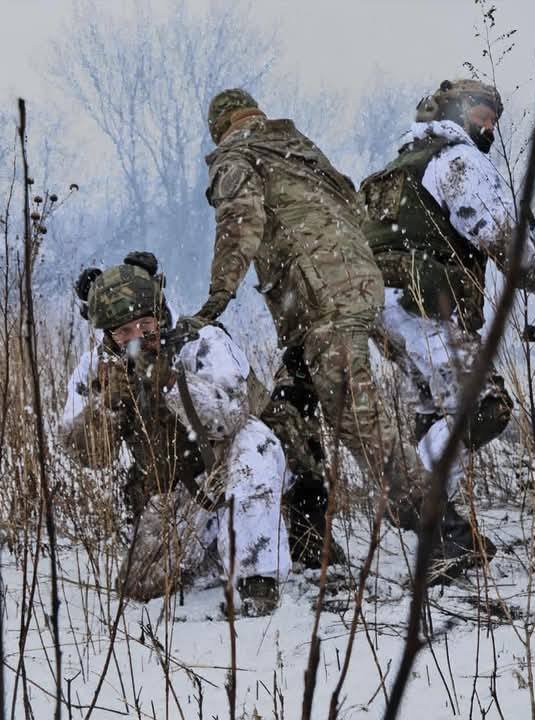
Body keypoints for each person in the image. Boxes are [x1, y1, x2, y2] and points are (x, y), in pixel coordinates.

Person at [185, 89, 427, 574]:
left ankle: (444, 528)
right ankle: (308, 536)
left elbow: (241, 219)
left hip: (321, 300)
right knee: (287, 413)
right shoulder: (299, 149)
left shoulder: (237, 155)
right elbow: (352, 212)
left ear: (219, 127)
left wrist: (216, 299)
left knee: (354, 417)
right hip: (345, 289)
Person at [359, 79, 535, 578]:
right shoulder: (457, 160)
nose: (489, 124)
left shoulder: (396, 168)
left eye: (495, 117)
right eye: (482, 111)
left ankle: (446, 541)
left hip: (384, 310)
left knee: (433, 417)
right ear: (454, 109)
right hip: (425, 306)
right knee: (485, 406)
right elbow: (497, 234)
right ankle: (409, 492)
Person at [59, 252, 290, 616]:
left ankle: (257, 578)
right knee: (140, 587)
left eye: (145, 324)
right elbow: (90, 457)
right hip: (170, 500)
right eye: (123, 331)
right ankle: (216, 553)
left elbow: (228, 417)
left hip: (223, 476)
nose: (137, 337)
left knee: (255, 441)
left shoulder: (202, 342)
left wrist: (171, 383)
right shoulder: (96, 369)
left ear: (160, 311)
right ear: (107, 333)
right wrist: (108, 405)